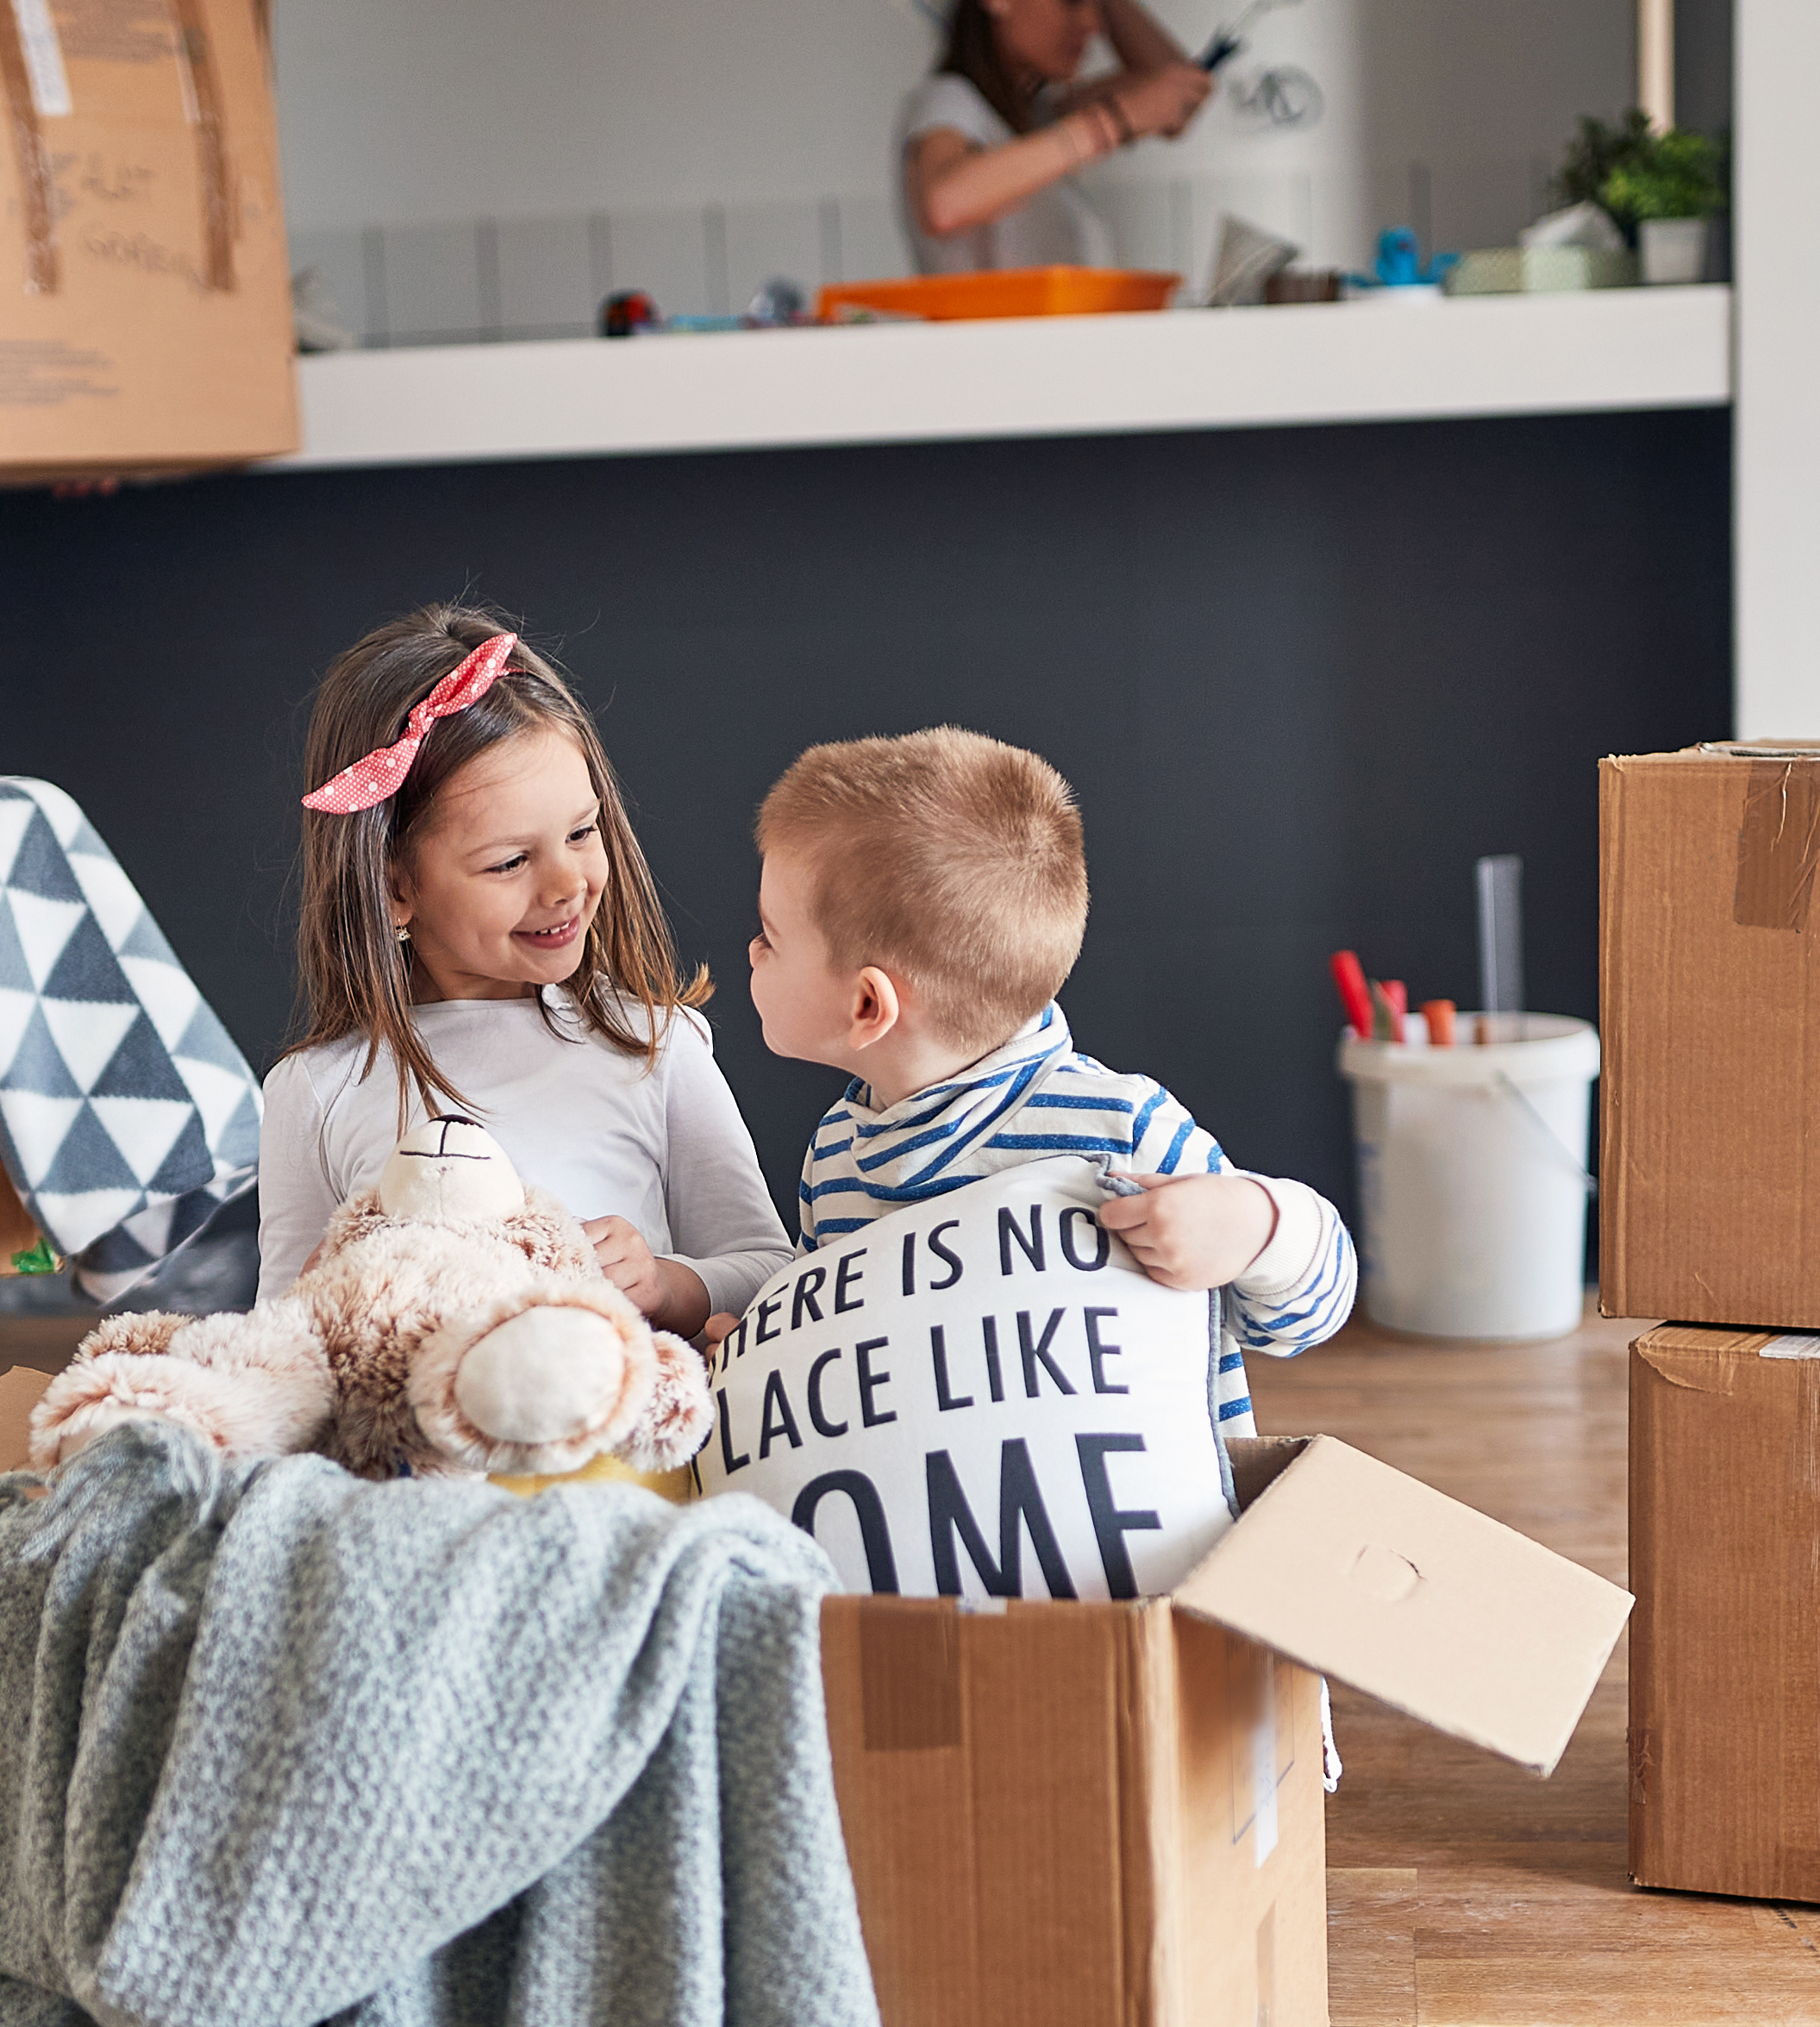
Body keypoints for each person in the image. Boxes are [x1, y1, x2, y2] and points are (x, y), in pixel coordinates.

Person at [743, 727, 1354, 1431]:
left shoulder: (1120, 1130)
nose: (752, 951)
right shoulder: (835, 1158)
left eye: (770, 936)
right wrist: (771, 1355)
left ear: (866, 1007)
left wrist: (1254, 1226)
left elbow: (1313, 1310)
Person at [259, 609, 796, 1333]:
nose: (565, 884)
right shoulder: (317, 1090)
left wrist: (667, 1284)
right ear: (394, 889)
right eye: (510, 862)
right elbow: (277, 1334)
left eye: (582, 832)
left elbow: (770, 1268)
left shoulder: (656, 1047)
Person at [895, 0, 1214, 277]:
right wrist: (1111, 123)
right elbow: (946, 203)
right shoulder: (949, 103)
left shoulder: (1035, 114)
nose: (1093, 24)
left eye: (1094, 1)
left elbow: (1174, 87)